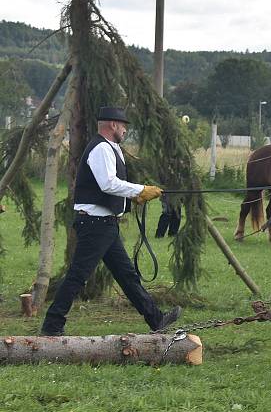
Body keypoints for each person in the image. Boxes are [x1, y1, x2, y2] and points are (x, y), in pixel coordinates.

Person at [39, 107, 182, 336]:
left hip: (105, 224)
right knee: (78, 275)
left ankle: (156, 320)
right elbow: (108, 184)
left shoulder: (111, 148)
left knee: (127, 276)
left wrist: (133, 197)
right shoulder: (101, 149)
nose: (125, 130)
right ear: (113, 125)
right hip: (95, 225)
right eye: (123, 125)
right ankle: (52, 325)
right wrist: (140, 190)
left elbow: (107, 187)